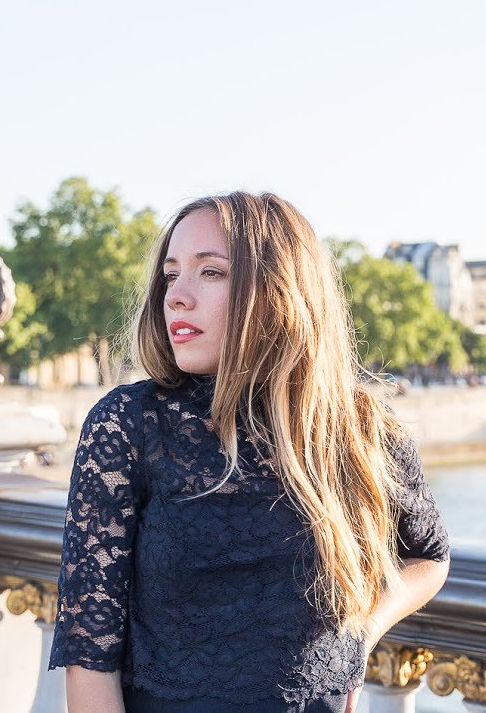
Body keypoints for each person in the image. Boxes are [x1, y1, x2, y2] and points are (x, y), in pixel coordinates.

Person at [50, 192, 451, 713]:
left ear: (278, 290)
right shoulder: (130, 423)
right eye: (171, 276)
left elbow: (428, 556)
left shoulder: (357, 427)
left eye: (210, 273)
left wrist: (362, 633)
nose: (176, 297)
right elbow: (90, 657)